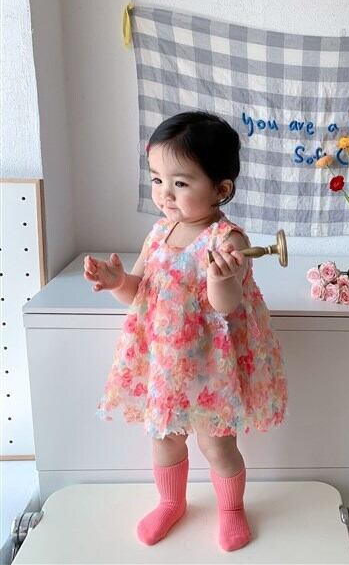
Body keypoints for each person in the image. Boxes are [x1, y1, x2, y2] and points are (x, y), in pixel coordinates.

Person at [83, 111, 288, 551]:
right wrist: (118, 282)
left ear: (221, 189)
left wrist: (220, 277)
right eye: (157, 179)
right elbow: (139, 292)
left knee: (218, 446)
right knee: (164, 437)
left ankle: (230, 509)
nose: (164, 193)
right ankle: (170, 502)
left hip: (211, 367)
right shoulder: (160, 231)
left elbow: (225, 305)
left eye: (180, 183)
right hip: (164, 361)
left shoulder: (228, 240)